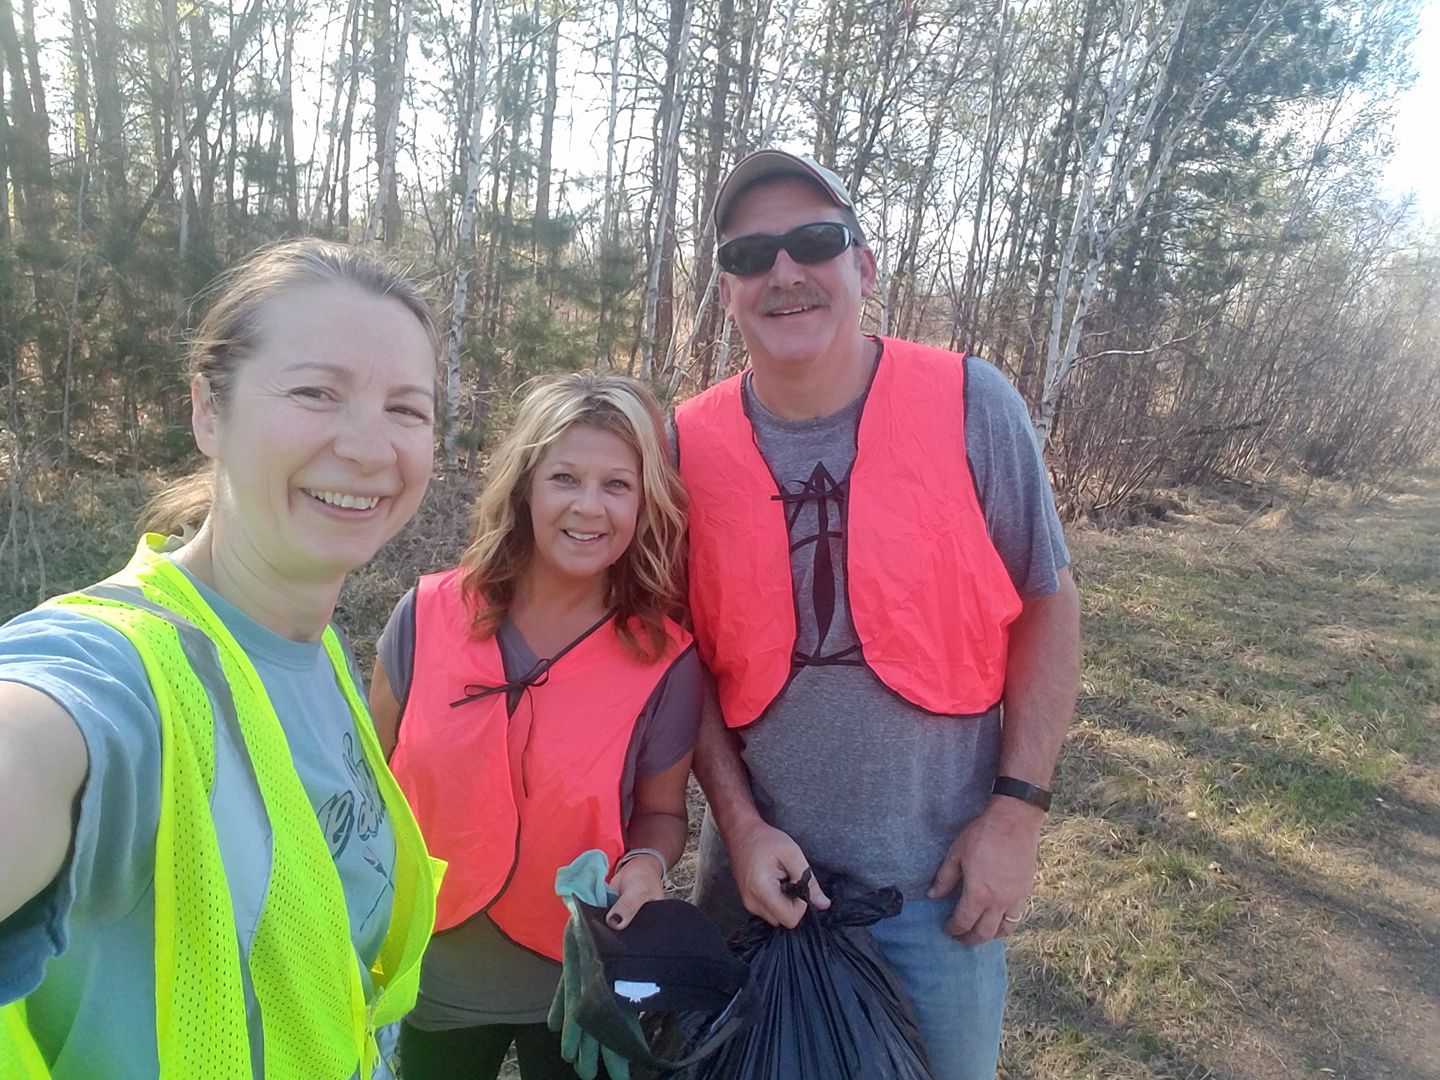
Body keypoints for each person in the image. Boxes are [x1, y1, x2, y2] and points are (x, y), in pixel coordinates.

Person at [674, 150, 1081, 1080]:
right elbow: (675, 660)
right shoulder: (680, 445)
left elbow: (1047, 609)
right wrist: (737, 827)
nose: (784, 272)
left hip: (938, 900)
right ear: (727, 292)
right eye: (750, 255)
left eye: (815, 241)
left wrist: (1016, 818)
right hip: (752, 890)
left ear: (864, 265)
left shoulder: (974, 404)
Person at [0, 240, 444, 1079]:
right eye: (317, 392)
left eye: (407, 409)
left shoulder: (316, 655)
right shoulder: (122, 671)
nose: (369, 446)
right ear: (209, 409)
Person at [371, 373, 704, 1080]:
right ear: (525, 486)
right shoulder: (425, 616)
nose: (590, 507)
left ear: (645, 505)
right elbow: (364, 788)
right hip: (428, 979)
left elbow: (662, 814)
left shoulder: (663, 659)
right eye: (565, 478)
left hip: (579, 988)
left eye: (617, 485)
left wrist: (645, 866)